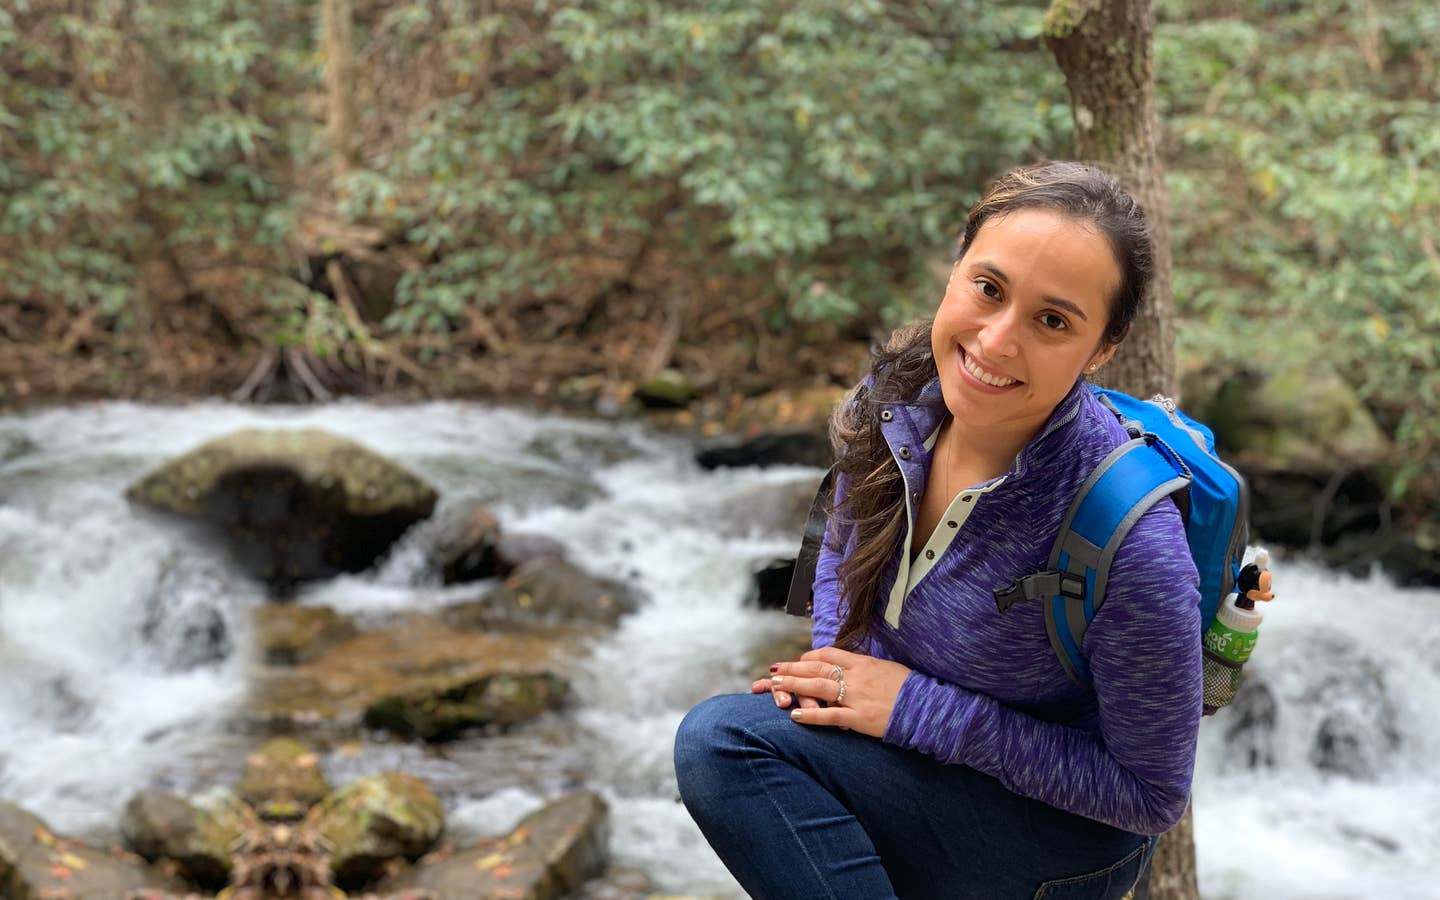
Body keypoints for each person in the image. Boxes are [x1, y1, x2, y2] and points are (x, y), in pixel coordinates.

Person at [674, 161, 1206, 900]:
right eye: (988, 289)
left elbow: (1150, 797)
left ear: (1103, 349)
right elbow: (842, 544)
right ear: (955, 270)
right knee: (743, 745)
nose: (995, 341)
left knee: (724, 743)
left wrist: (914, 710)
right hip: (919, 766)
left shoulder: (1130, 539)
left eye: (1052, 321)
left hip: (1058, 840)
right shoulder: (892, 400)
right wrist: (836, 671)